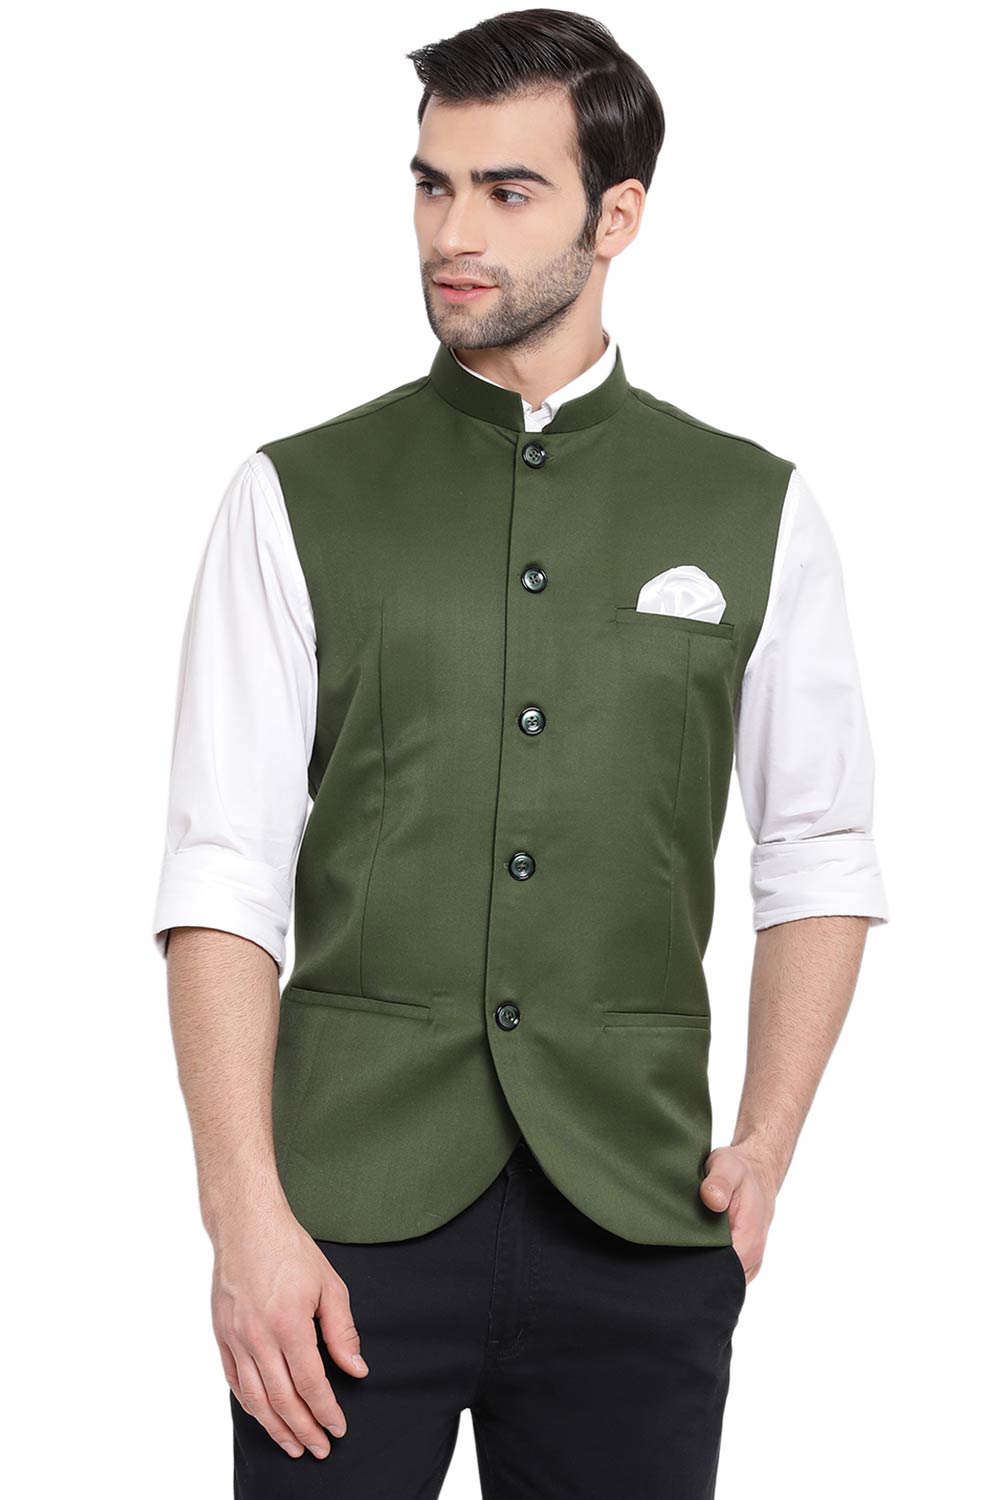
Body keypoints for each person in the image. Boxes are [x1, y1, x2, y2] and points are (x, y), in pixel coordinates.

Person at [153, 11, 889, 1497]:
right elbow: (223, 874)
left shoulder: (756, 508)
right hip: (340, 1230)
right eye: (433, 186)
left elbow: (818, 849)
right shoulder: (292, 495)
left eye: (507, 191)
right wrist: (244, 1218)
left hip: (641, 1213)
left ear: (618, 216)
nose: (453, 234)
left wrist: (764, 1147)